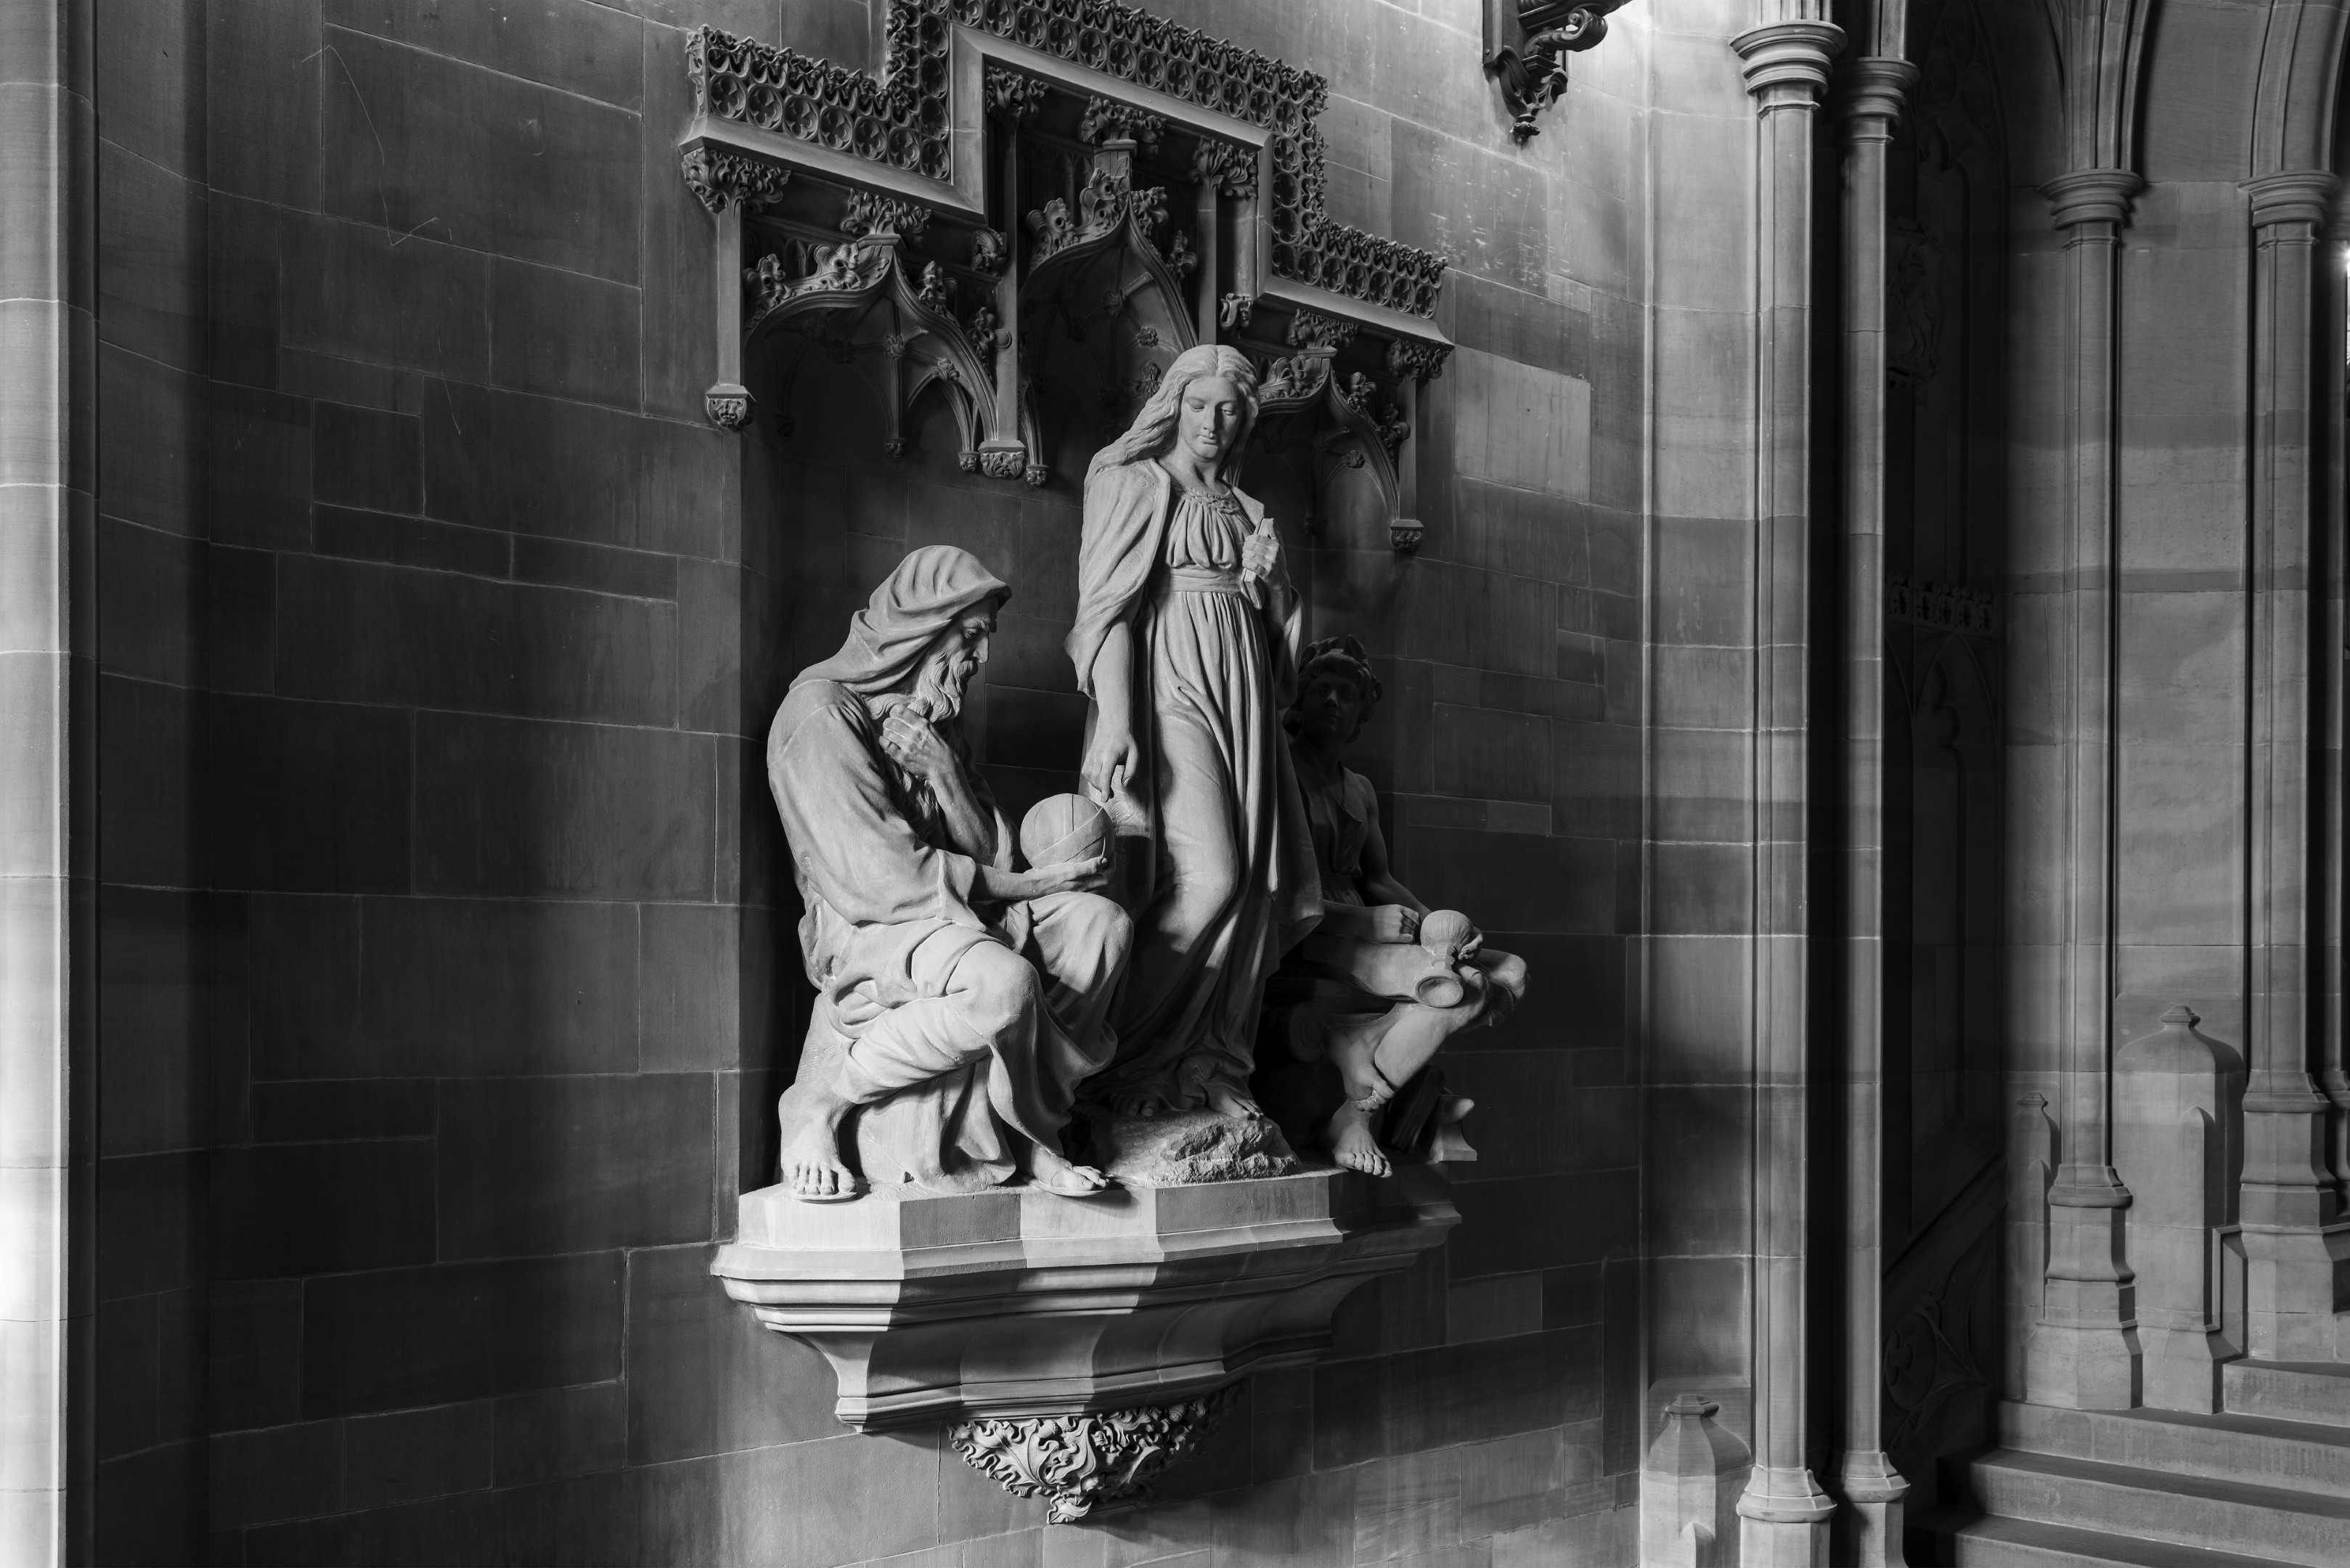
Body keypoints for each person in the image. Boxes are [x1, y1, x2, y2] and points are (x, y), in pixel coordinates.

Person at [766, 547, 1131, 1199]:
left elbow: (993, 855)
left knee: (1100, 926)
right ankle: (818, 1102)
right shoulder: (821, 715)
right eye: (972, 635)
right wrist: (1037, 885)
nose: (981, 657)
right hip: (872, 927)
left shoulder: (935, 722)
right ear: (921, 629)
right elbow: (886, 880)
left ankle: (1028, 1122)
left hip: (954, 911)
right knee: (1004, 987)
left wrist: (943, 772)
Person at [1066, 344, 1322, 1122]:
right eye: (1199, 404)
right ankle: (1106, 1057)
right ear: (1173, 405)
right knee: (1207, 876)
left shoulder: (1249, 510)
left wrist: (1272, 591)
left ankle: (1202, 1066)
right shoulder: (1131, 482)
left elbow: (1281, 647)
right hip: (1166, 685)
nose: (1213, 422)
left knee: (1245, 888)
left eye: (1230, 408)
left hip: (1243, 696)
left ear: (1248, 417)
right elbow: (1106, 612)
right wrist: (1116, 719)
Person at [1255, 637, 1526, 1175]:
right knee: (1464, 989)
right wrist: (1358, 919)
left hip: (1367, 928)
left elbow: (1377, 878)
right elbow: (1269, 884)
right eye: (1321, 689)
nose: (1333, 701)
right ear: (1299, 701)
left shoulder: (1358, 788)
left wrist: (1441, 928)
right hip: (1309, 933)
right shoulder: (1280, 772)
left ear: (1361, 712)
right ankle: (1355, 1115)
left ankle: (1357, 1044)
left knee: (1511, 971)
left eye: (1347, 694)